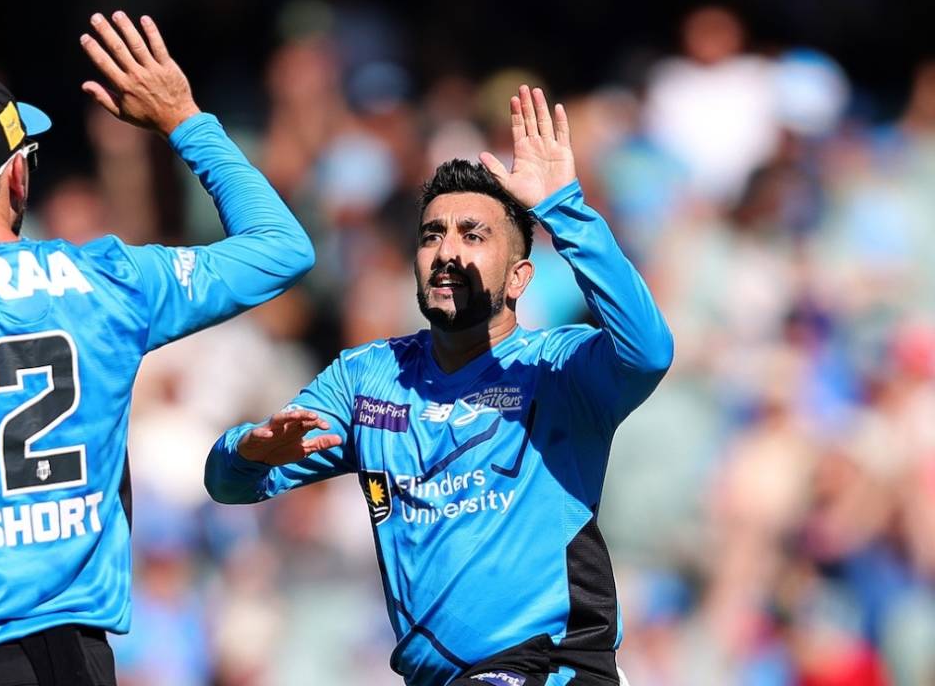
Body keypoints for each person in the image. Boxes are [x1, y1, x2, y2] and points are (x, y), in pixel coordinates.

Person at [0, 12, 314, 686]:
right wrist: (184, 118)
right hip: (78, 661)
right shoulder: (107, 280)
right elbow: (282, 249)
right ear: (17, 176)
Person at [205, 85, 672, 686]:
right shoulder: (367, 378)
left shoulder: (557, 368)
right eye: (432, 235)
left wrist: (565, 208)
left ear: (519, 277)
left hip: (551, 669)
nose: (447, 252)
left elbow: (649, 349)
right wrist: (247, 450)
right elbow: (229, 485)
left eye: (473, 236)